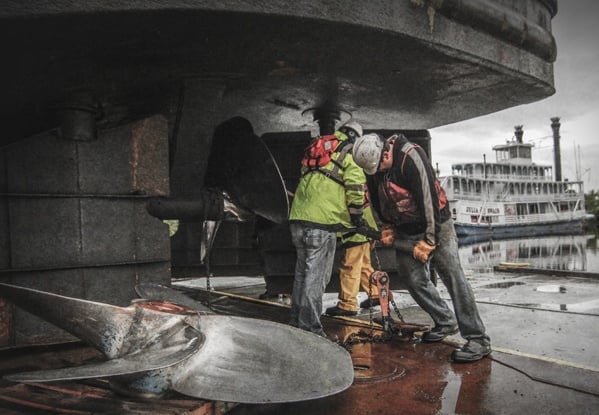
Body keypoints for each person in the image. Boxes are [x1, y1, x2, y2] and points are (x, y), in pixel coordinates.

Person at [352, 132, 491, 362]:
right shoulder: (374, 169)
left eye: (380, 166)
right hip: (405, 228)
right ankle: (445, 321)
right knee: (412, 278)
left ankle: (478, 338)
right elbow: (377, 200)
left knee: (453, 276)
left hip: (436, 223)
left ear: (386, 151)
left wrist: (429, 240)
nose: (378, 172)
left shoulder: (411, 157)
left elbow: (430, 201)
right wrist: (386, 227)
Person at [288, 120, 377, 336]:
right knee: (315, 278)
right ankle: (310, 329)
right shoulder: (349, 152)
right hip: (322, 223)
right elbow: (356, 186)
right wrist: (357, 218)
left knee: (302, 275)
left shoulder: (319, 149)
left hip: (298, 218)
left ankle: (297, 322)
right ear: (356, 138)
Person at [325, 184, 381, 317]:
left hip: (354, 230)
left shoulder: (347, 183)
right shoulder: (360, 183)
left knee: (350, 267)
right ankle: (375, 293)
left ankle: (348, 304)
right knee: (363, 265)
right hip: (366, 229)